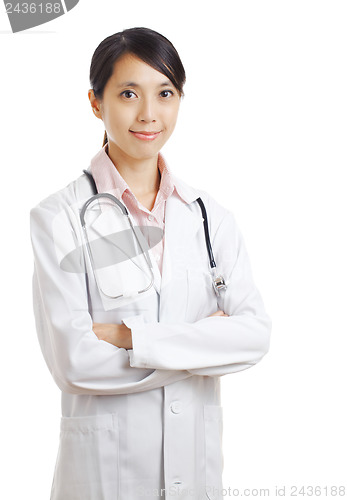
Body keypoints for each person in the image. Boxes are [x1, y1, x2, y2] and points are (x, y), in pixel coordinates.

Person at [29, 27, 271, 500]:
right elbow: (75, 363)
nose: (148, 114)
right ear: (96, 103)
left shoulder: (209, 217)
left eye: (165, 93)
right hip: (103, 479)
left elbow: (255, 335)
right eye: (127, 93)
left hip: (196, 478)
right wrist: (205, 349)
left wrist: (128, 337)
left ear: (179, 99)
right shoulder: (58, 217)